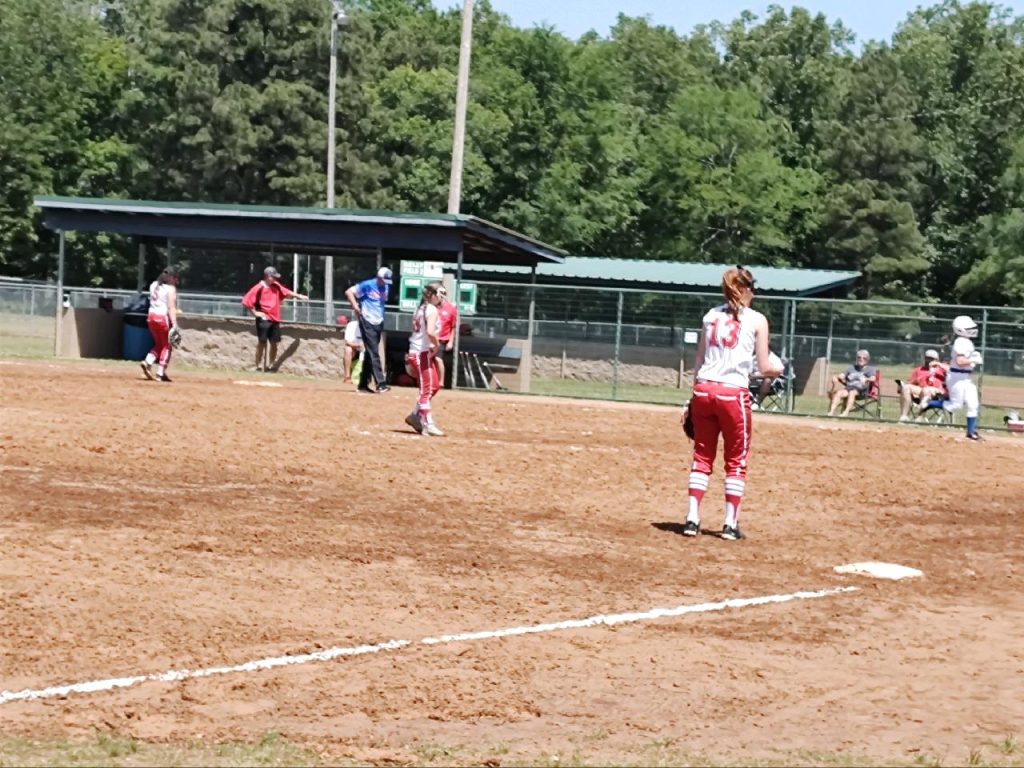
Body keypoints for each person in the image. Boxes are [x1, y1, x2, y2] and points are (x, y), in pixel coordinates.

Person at [681, 266, 782, 541]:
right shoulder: (757, 319)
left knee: (702, 456)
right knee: (736, 461)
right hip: (732, 393)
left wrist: (693, 397)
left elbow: (699, 361)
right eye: (752, 288)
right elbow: (762, 367)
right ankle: (729, 524)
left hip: (703, 389)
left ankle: (692, 519)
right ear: (746, 289)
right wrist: (778, 371)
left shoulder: (710, 315)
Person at [241, 266, 309, 371]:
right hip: (264, 318)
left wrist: (299, 296)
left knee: (274, 342)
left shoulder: (276, 286)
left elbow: (286, 292)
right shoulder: (259, 287)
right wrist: (255, 313)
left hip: (275, 319)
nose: (275, 279)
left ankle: (271, 365)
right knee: (262, 342)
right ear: (268, 276)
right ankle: (258, 365)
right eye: (273, 277)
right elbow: (247, 301)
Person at [403, 282, 445, 436]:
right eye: (441, 294)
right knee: (427, 389)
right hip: (420, 353)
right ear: (433, 294)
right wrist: (436, 344)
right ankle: (427, 422)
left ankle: (415, 415)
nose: (442, 298)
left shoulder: (421, 308)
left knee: (434, 386)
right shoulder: (431, 309)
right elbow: (430, 332)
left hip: (420, 352)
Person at [345, 267, 393, 394]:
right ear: (378, 277)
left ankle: (363, 385)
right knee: (374, 352)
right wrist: (355, 306)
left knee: (369, 353)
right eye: (384, 280)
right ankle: (380, 383)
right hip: (367, 320)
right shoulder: (367, 284)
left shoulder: (386, 287)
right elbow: (349, 292)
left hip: (378, 322)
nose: (385, 283)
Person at [943, 315, 983, 440]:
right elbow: (960, 362)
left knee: (973, 404)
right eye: (969, 328)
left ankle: (971, 432)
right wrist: (973, 360)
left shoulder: (967, 342)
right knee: (956, 405)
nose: (973, 330)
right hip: (957, 377)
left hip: (965, 377)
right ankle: (929, 404)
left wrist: (972, 361)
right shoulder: (960, 342)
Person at [140, 266, 180, 383]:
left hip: (151, 317)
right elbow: (171, 307)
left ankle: (147, 361)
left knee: (159, 344)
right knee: (167, 346)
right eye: (175, 278)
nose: (175, 281)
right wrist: (174, 324)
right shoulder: (170, 289)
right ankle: (160, 373)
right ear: (171, 277)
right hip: (162, 318)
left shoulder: (153, 285)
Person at [898, 349, 948, 422]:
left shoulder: (942, 369)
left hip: (937, 394)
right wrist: (916, 380)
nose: (929, 360)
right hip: (920, 391)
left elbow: (952, 371)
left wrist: (939, 365)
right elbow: (909, 383)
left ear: (937, 360)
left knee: (926, 390)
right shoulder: (918, 370)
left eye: (932, 359)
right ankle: (904, 416)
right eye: (927, 358)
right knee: (906, 387)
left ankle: (920, 416)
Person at [827, 350, 877, 417]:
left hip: (862, 391)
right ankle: (831, 412)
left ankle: (846, 412)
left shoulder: (870, 369)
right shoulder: (851, 368)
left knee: (852, 393)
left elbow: (873, 378)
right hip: (849, 388)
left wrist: (866, 379)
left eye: (864, 358)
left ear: (867, 360)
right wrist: (836, 377)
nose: (861, 359)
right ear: (856, 358)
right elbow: (842, 375)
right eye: (859, 357)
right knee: (839, 393)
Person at [434, 284, 459, 388]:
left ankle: (441, 381)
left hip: (442, 339)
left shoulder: (451, 309)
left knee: (438, 359)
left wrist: (451, 341)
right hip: (431, 337)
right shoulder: (433, 307)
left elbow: (453, 326)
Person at [337, 315, 364, 384]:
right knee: (347, 349)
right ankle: (347, 377)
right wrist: (359, 345)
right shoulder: (351, 325)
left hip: (366, 351)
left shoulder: (372, 326)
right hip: (355, 350)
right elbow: (348, 342)